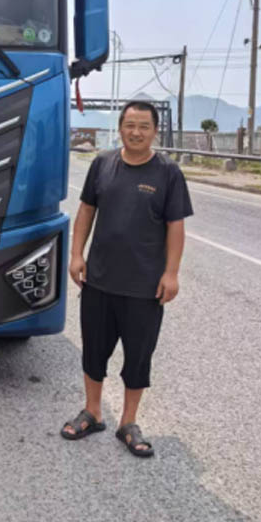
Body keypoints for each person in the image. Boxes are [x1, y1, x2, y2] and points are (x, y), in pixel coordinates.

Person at [61, 100, 193, 457]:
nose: (136, 132)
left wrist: (171, 273)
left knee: (138, 357)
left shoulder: (168, 173)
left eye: (144, 126)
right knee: (94, 350)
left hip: (144, 287)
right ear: (120, 128)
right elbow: (86, 210)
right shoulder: (103, 163)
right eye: (130, 125)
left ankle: (128, 423)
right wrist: (76, 255)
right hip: (99, 281)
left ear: (155, 131)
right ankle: (93, 412)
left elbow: (176, 226)